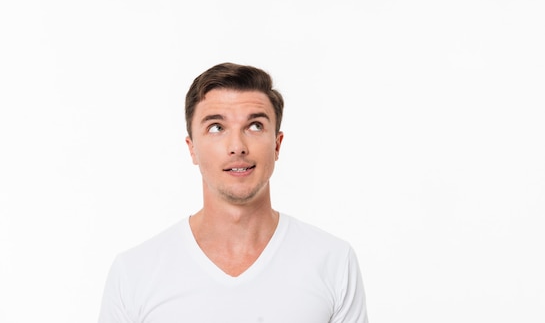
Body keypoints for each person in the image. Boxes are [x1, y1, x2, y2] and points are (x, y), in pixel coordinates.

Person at [98, 62, 369, 323]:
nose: (237, 146)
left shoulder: (333, 261)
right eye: (216, 127)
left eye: (255, 126)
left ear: (277, 144)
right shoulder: (135, 272)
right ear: (192, 148)